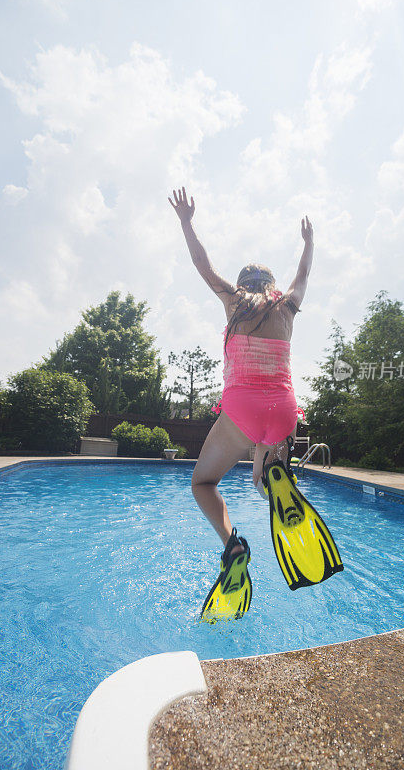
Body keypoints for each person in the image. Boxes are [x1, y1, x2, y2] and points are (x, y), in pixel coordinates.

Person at [168, 187, 314, 619]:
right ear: (270, 286)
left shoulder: (234, 303)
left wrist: (186, 221)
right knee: (261, 471)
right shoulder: (288, 306)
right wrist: (309, 243)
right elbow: (303, 277)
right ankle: (274, 476)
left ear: (244, 286)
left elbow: (201, 264)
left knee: (203, 483)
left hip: (242, 410)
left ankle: (232, 544)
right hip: (286, 411)